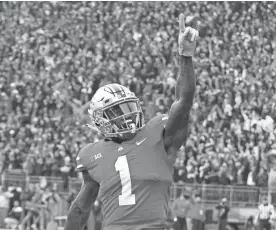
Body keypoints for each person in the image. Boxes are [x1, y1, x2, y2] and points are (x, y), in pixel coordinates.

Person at [64, 13, 199, 230]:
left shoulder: (157, 133)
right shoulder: (91, 154)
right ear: (101, 119)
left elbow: (184, 101)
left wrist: (185, 55)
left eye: (128, 107)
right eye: (117, 110)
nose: (127, 115)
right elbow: (81, 208)